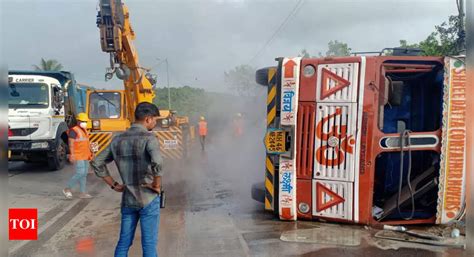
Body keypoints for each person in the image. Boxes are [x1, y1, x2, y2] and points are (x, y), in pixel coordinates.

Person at [91, 102, 163, 257]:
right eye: (155, 119)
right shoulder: (149, 138)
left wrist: (113, 184)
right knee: (149, 244)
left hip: (128, 199)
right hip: (148, 199)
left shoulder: (117, 139)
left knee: (123, 243)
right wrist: (156, 184)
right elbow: (157, 162)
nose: (155, 123)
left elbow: (97, 162)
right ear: (148, 119)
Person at [63, 113, 93, 199]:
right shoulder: (74, 130)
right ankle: (67, 188)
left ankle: (82, 193)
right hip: (78, 155)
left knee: (84, 174)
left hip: (85, 155)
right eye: (83, 121)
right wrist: (72, 155)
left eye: (85, 121)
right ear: (78, 121)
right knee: (80, 173)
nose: (84, 123)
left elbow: (86, 143)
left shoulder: (85, 130)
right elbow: (71, 143)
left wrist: (91, 152)